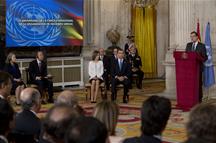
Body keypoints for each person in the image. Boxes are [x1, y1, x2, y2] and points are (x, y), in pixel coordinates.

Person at [185, 31, 207, 102]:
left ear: (197, 37)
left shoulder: (202, 46)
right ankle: (190, 98)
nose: (192, 38)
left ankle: (199, 99)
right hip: (189, 69)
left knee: (198, 84)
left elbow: (205, 57)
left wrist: (199, 58)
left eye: (193, 36)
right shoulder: (188, 45)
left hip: (198, 69)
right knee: (190, 85)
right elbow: (186, 55)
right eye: (191, 36)